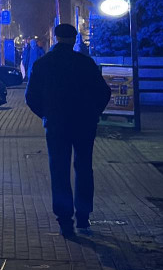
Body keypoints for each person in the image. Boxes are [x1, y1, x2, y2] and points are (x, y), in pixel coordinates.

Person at [25, 23, 112, 237]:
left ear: (56, 38)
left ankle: (65, 220)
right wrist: (94, 113)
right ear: (74, 39)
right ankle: (83, 216)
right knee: (84, 167)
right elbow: (104, 92)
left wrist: (47, 114)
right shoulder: (85, 63)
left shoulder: (43, 64)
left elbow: (31, 97)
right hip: (84, 124)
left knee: (59, 170)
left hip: (56, 124)